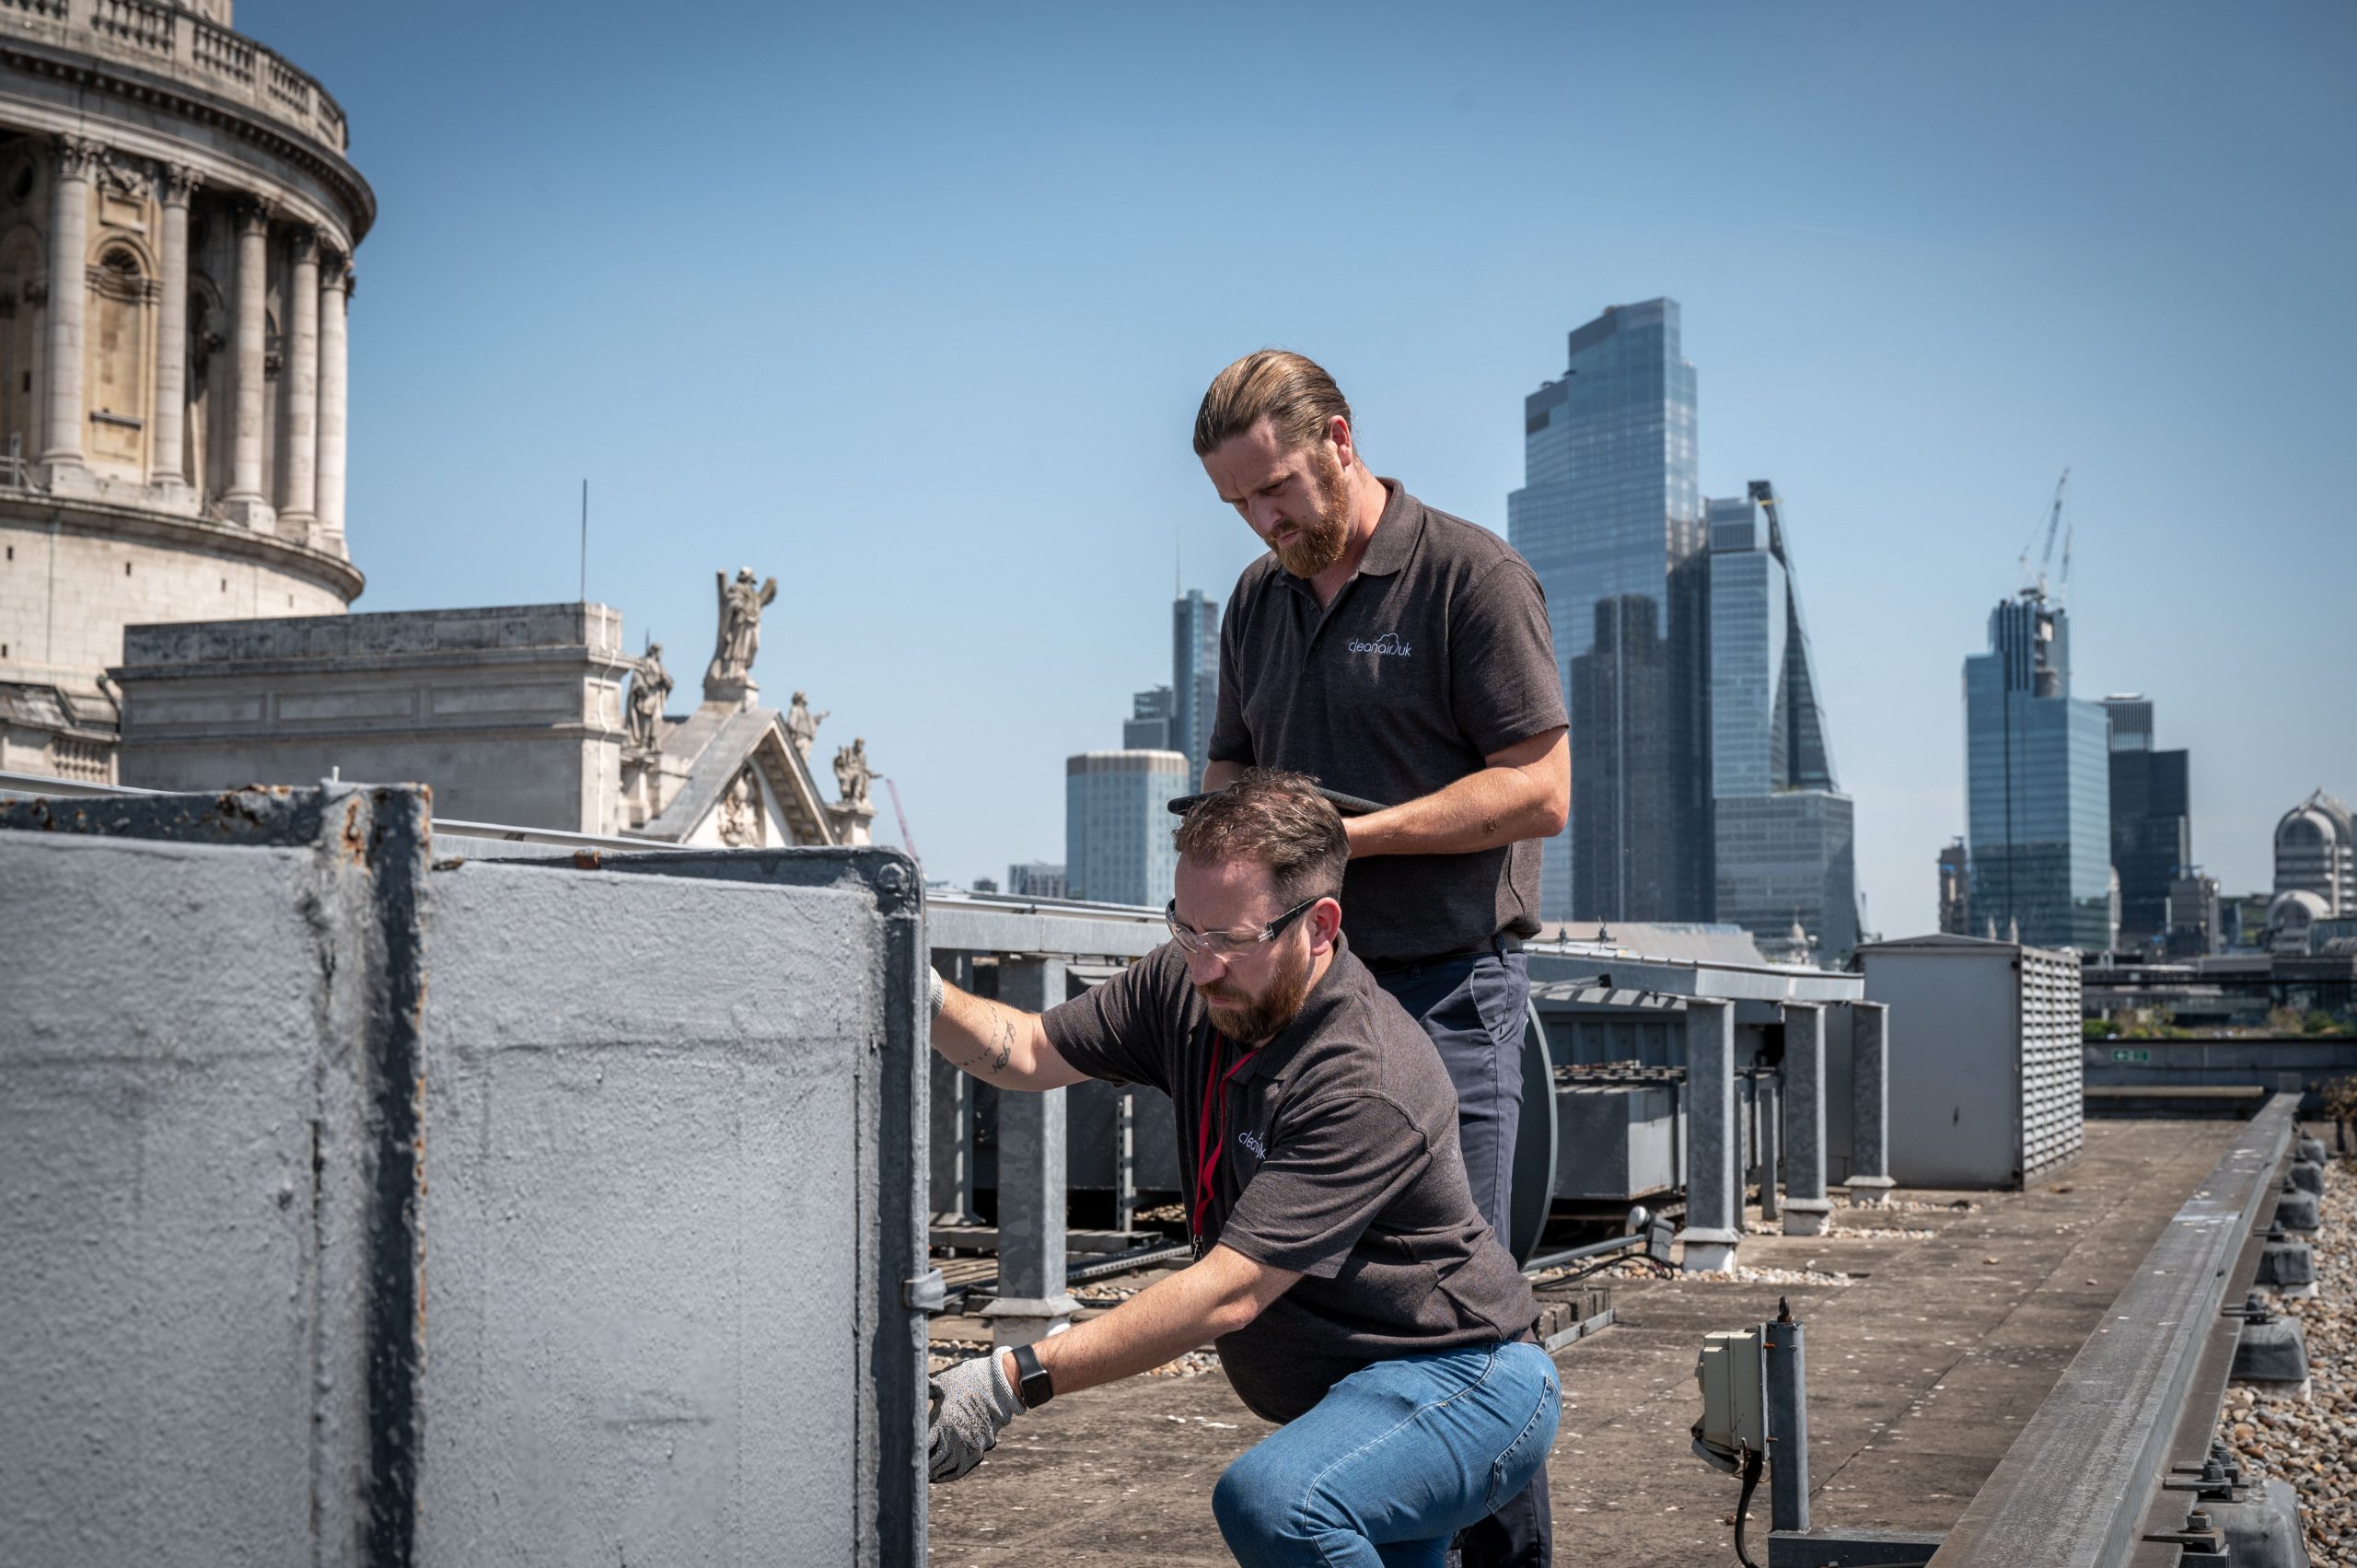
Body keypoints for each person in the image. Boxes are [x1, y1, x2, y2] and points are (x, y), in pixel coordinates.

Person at [925, 772, 1558, 1567]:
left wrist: (1012, 1377)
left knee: (1279, 1504)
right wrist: (921, 994)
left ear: (1320, 925)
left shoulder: (1367, 1074)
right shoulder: (1189, 979)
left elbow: (1227, 1292)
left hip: (1464, 1380)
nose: (1202, 965)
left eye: (1230, 939)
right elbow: (1026, 1048)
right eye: (1185, 929)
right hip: (1356, 1397)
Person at [1192, 351, 1571, 1564]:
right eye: (1241, 502)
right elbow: (1228, 783)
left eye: (1279, 487)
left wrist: (1346, 840)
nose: (1264, 519)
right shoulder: (1258, 601)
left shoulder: (1471, 576)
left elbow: (1542, 790)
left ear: (1341, 439)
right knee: (1325, 1321)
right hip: (1302, 1005)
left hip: (1447, 992)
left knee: (1461, 1334)